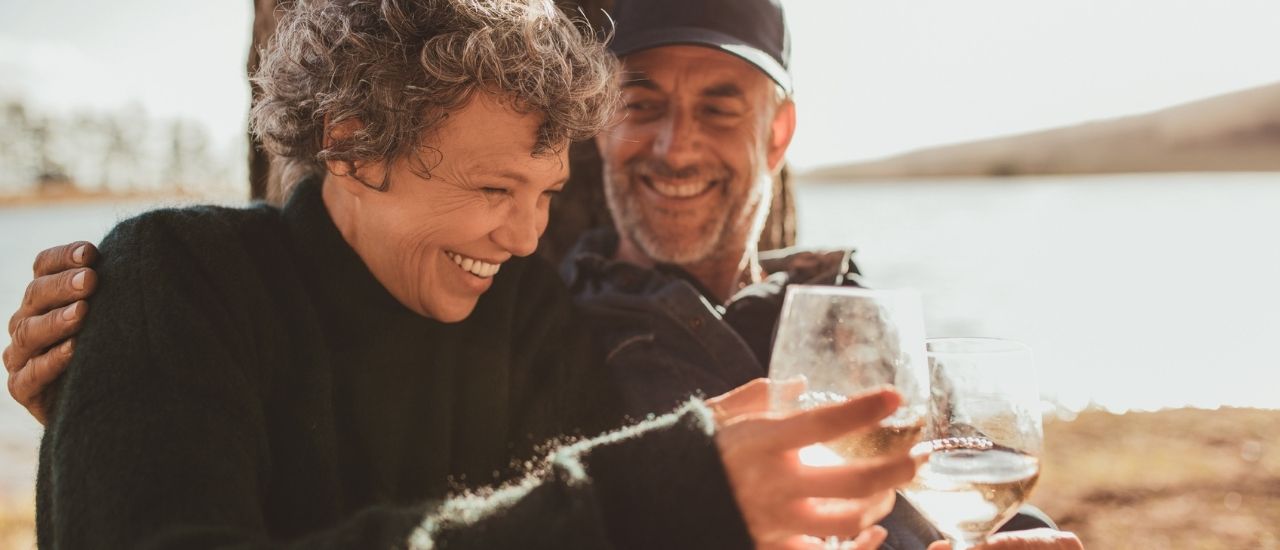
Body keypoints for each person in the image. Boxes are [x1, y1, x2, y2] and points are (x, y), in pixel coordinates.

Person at [8, 1, 924, 548]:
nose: (527, 237)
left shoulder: (529, 314)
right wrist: (636, 499)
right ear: (353, 143)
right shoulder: (176, 283)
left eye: (547, 192)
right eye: (494, 187)